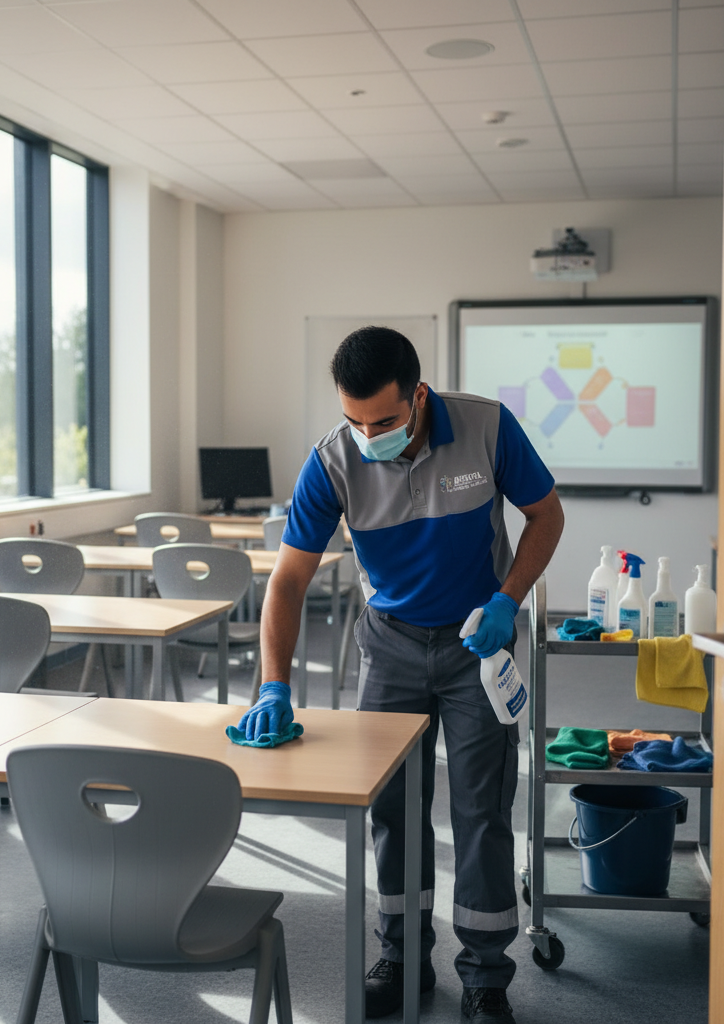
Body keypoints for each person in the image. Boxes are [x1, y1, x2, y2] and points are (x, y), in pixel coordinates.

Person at [239, 326, 564, 1024]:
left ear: (418, 396)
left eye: (383, 420)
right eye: (354, 421)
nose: (368, 435)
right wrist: (273, 683)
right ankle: (403, 956)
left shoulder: (485, 427)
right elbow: (289, 580)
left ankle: (484, 976)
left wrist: (509, 598)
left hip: (480, 642)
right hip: (389, 645)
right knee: (392, 811)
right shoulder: (331, 461)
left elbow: (545, 515)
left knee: (480, 811)